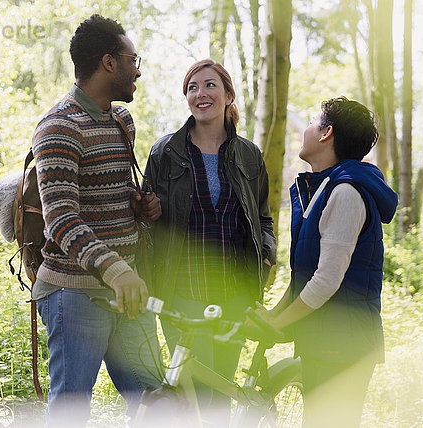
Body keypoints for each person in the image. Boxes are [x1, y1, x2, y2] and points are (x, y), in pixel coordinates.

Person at [31, 14, 162, 427]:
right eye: (132, 59)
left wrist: (140, 208)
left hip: (128, 290)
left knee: (158, 401)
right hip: (75, 294)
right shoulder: (57, 129)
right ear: (109, 62)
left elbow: (110, 193)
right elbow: (62, 220)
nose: (137, 69)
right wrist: (118, 270)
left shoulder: (121, 121)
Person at [143, 59, 276, 421]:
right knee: (192, 398)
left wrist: (265, 255)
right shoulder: (164, 153)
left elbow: (263, 218)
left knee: (219, 393)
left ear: (228, 95)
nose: (200, 93)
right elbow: (148, 225)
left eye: (210, 85)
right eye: (192, 87)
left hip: (233, 296)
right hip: (181, 293)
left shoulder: (249, 154)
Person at [258, 96, 398, 427]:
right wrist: (270, 317)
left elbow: (326, 281)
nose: (304, 129)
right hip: (326, 340)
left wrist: (278, 324)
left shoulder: (346, 192)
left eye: (311, 121)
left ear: (326, 134)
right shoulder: (323, 188)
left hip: (343, 344)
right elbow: (305, 277)